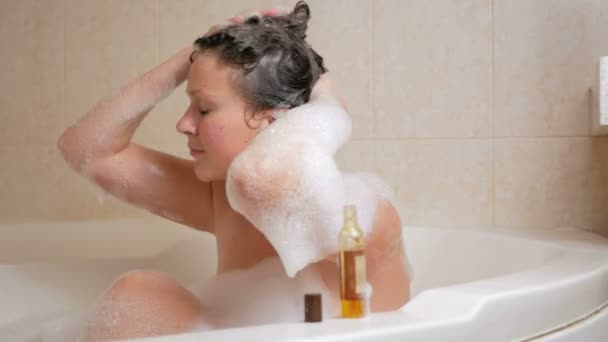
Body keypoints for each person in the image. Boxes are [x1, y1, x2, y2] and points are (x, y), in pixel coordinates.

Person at [57, 2, 410, 340]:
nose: (183, 124)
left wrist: (328, 101)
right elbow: (88, 150)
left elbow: (263, 177)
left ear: (273, 121)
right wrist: (191, 55)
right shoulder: (222, 197)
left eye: (205, 109)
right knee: (136, 296)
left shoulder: (357, 217)